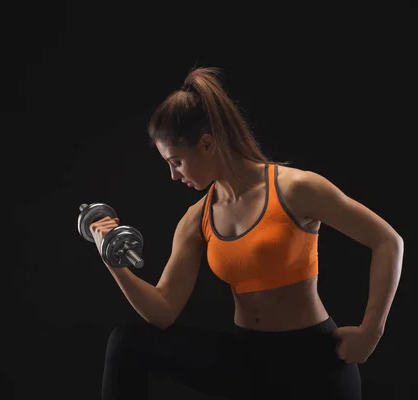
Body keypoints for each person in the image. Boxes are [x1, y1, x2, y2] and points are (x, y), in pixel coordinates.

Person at [89, 66, 404, 400]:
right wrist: (113, 260)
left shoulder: (295, 188)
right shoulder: (197, 218)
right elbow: (163, 309)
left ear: (207, 143)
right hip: (247, 360)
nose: (173, 175)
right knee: (127, 343)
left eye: (177, 161)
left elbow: (387, 241)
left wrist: (371, 331)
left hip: (312, 364)